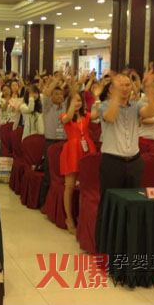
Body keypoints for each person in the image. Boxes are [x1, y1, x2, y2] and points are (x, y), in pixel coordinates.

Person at [94, 70, 154, 251]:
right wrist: (116, 97)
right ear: (112, 89)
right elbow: (111, 117)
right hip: (112, 163)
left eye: (128, 85)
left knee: (131, 204)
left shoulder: (135, 106)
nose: (125, 88)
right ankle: (103, 247)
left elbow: (151, 111)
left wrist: (149, 89)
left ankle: (126, 245)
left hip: (134, 162)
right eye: (120, 85)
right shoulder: (104, 106)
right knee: (108, 204)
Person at [60, 91, 96, 233]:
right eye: (74, 100)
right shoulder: (64, 116)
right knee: (69, 186)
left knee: (84, 186)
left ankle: (82, 217)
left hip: (86, 149)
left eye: (79, 100)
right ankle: (69, 218)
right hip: (72, 151)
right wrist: (72, 106)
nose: (77, 103)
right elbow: (68, 117)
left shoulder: (86, 116)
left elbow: (98, 114)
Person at [38, 74, 68, 207]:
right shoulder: (47, 106)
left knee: (62, 174)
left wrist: (69, 81)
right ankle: (43, 203)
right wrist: (56, 79)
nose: (60, 96)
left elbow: (73, 94)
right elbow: (46, 94)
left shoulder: (65, 107)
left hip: (64, 143)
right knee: (49, 174)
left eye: (61, 94)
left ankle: (57, 204)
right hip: (51, 142)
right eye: (56, 94)